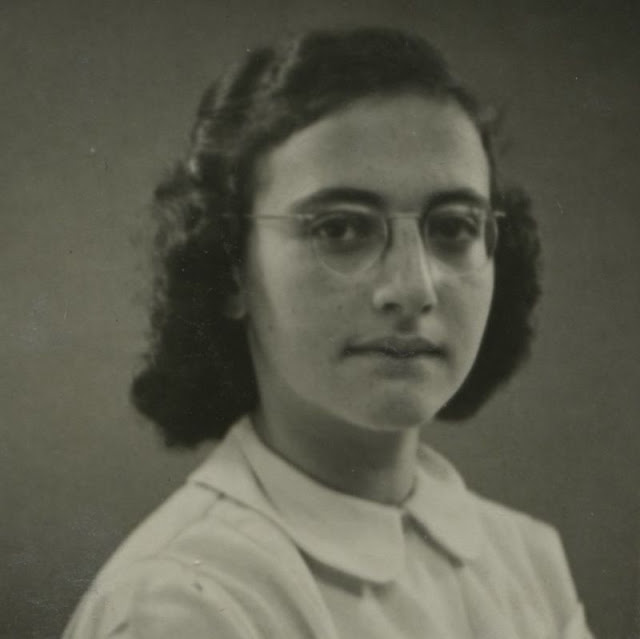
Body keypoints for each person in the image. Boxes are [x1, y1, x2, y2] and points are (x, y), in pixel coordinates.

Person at [63, 27, 593, 638]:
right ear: (231, 267)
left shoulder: (529, 561)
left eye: (452, 227)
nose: (413, 287)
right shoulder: (182, 605)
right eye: (341, 230)